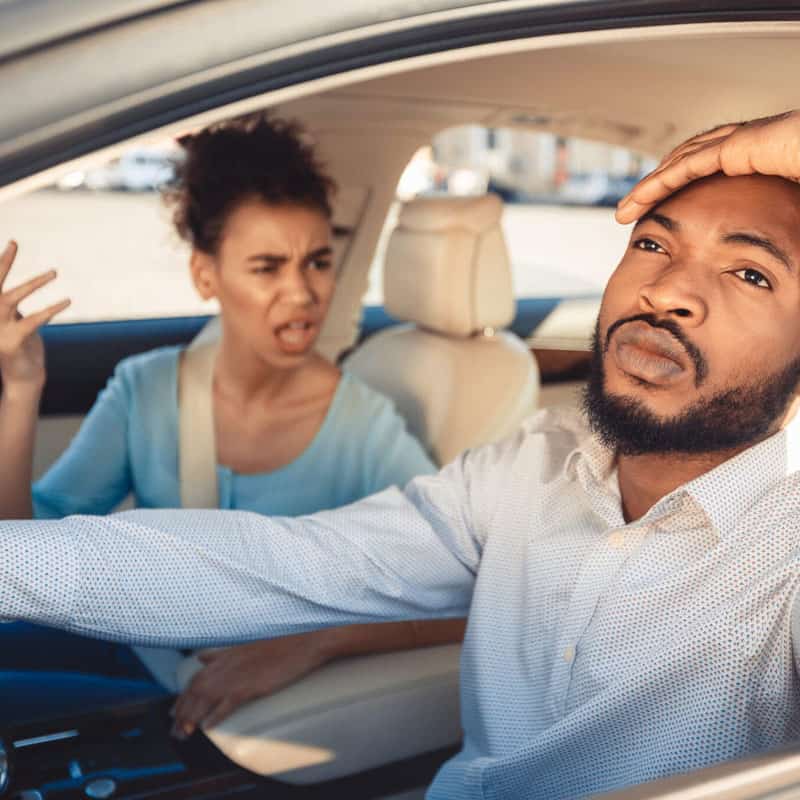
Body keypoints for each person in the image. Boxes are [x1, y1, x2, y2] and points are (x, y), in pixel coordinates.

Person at [3, 110, 800, 799]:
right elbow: (290, 562)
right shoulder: (531, 464)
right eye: (655, 243)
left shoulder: (784, 547)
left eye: (749, 273)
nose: (668, 291)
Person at [0, 113, 465, 732]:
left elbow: (461, 587)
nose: (302, 293)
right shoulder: (147, 388)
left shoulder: (362, 425)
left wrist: (310, 643)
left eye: (318, 262)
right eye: (268, 267)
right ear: (205, 275)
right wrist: (22, 390)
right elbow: (23, 550)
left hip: (223, 706)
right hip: (136, 651)